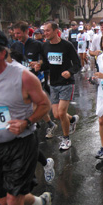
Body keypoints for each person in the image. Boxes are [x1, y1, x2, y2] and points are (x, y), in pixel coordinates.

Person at [0, 30, 52, 205]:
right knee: (3, 200)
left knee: (13, 202)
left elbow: (45, 104)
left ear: (2, 53)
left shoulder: (23, 77)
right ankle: (40, 203)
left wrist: (26, 122)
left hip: (21, 143)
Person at [35, 21, 81, 150]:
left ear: (56, 31)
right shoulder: (45, 46)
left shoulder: (67, 45)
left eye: (48, 30)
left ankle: (66, 139)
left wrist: (69, 72)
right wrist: (39, 66)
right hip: (53, 83)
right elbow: (47, 64)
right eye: (44, 31)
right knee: (56, 115)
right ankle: (71, 120)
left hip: (66, 83)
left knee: (61, 112)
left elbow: (77, 64)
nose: (45, 33)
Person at [11, 21, 56, 138]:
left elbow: (46, 59)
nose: (16, 36)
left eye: (19, 33)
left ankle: (35, 126)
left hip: (36, 77)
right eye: (15, 34)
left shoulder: (36, 44)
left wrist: (39, 63)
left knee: (35, 104)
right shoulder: (15, 46)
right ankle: (49, 123)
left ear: (26, 31)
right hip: (21, 79)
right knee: (29, 104)